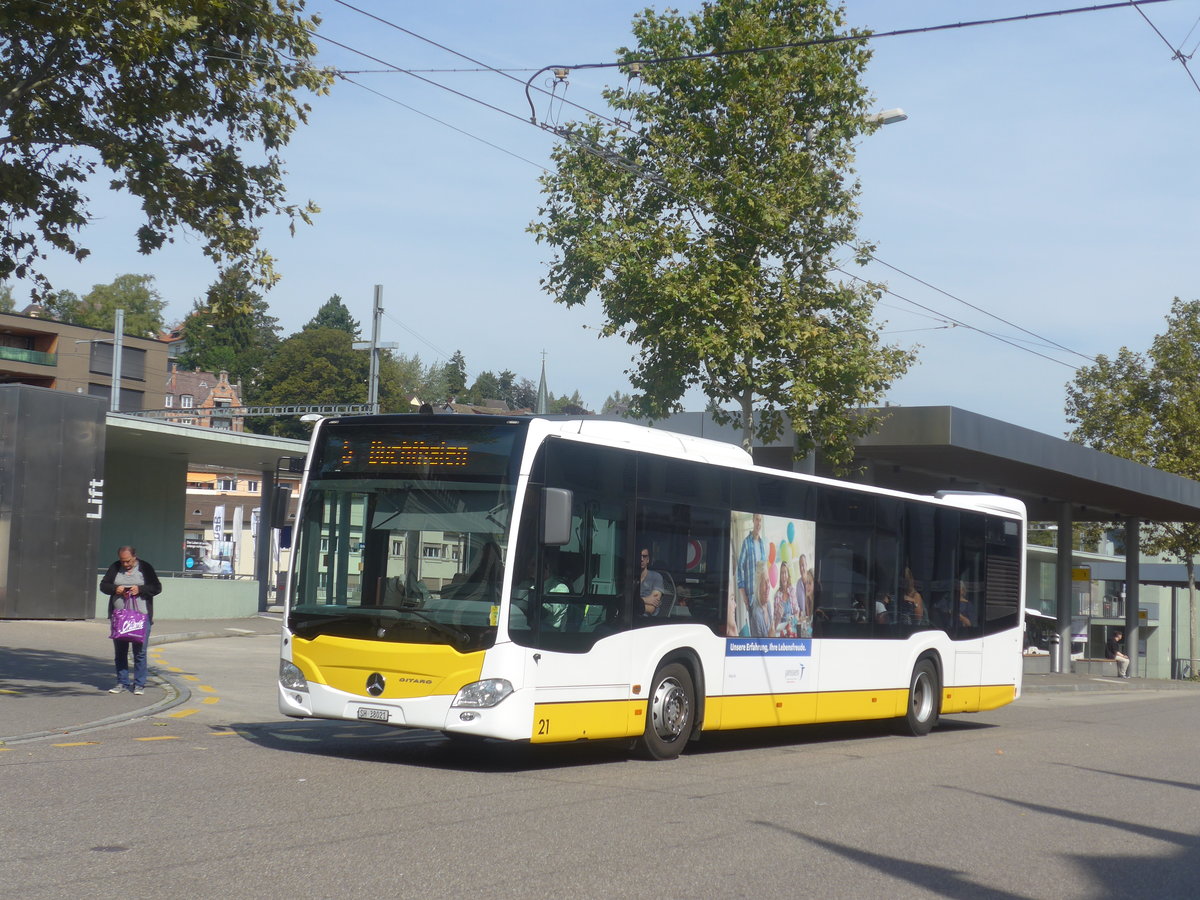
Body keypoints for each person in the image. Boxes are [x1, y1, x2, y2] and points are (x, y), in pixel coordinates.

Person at [100, 545, 162, 695]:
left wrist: (140, 589)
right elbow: (103, 585)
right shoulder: (115, 567)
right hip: (120, 617)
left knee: (139, 652)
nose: (125, 565)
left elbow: (157, 587)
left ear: (134, 557)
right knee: (120, 652)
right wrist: (116, 589)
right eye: (122, 561)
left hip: (141, 617)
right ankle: (122, 682)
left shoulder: (145, 567)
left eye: (128, 561)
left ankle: (139, 684)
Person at [734, 514, 766, 636]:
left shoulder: (762, 544)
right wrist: (744, 596)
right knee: (755, 635)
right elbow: (740, 568)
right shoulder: (746, 543)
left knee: (765, 633)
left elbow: (764, 570)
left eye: (760, 520)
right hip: (752, 597)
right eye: (757, 519)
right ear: (753, 521)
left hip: (762, 596)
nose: (759, 523)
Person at [638, 548, 665, 615]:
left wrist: (631, 604)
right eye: (639, 556)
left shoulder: (656, 577)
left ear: (648, 559)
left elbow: (651, 608)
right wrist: (645, 600)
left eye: (644, 556)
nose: (641, 559)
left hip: (648, 621)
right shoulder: (629, 577)